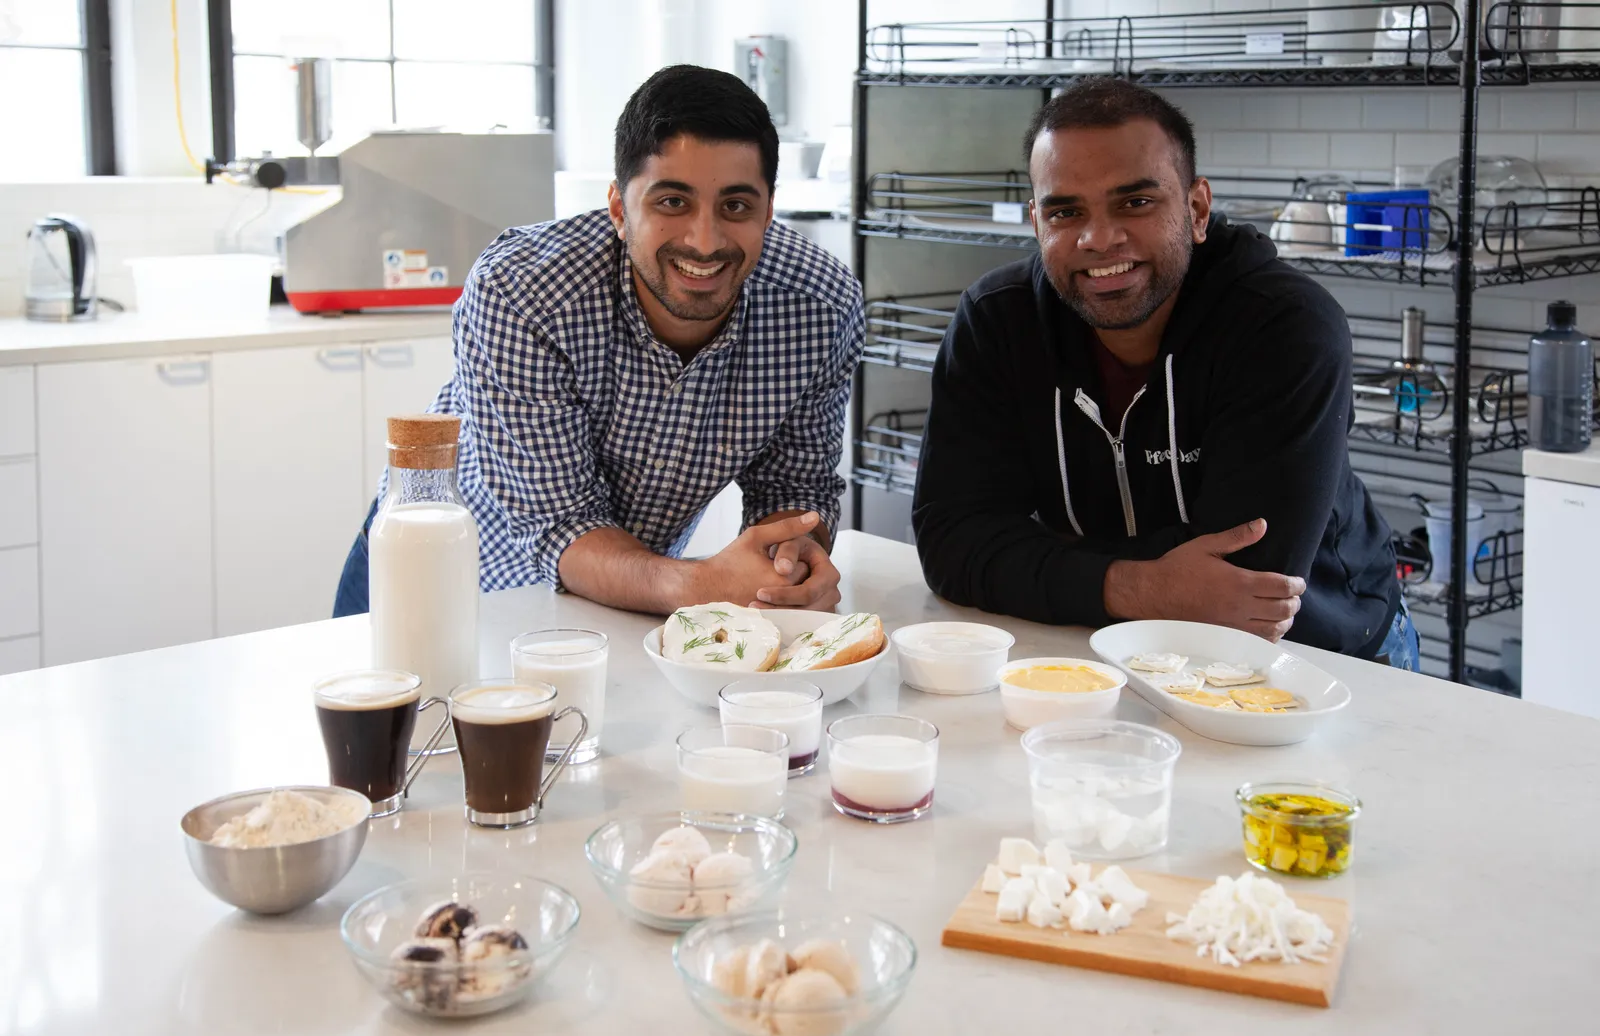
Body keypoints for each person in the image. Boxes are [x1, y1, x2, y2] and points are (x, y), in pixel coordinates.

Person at [912, 79, 1417, 668]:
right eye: (1065, 211)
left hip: (1317, 656)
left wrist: (1042, 563)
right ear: (1036, 223)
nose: (1099, 239)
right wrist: (1142, 586)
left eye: (1135, 202)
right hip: (1097, 647)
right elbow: (950, 544)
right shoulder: (997, 321)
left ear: (1196, 209)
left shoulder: (1284, 326)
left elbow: (1241, 584)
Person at [334, 65, 863, 618]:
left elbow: (795, 486)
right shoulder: (522, 293)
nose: (704, 242)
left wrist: (790, 559)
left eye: (736, 206)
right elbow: (560, 523)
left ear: (769, 210)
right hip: (436, 574)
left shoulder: (819, 307)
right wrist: (695, 586)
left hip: (621, 599)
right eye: (672, 202)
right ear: (618, 208)